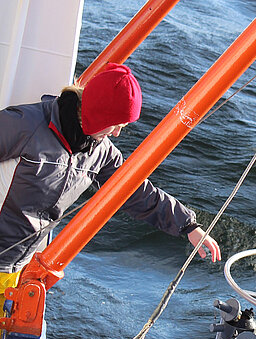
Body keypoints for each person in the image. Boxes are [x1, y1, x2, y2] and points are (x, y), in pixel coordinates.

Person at [0, 63, 221, 300]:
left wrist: (188, 226)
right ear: (98, 112)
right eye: (116, 123)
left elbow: (134, 192)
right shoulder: (25, 124)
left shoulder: (101, 152)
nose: (117, 133)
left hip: (14, 266)